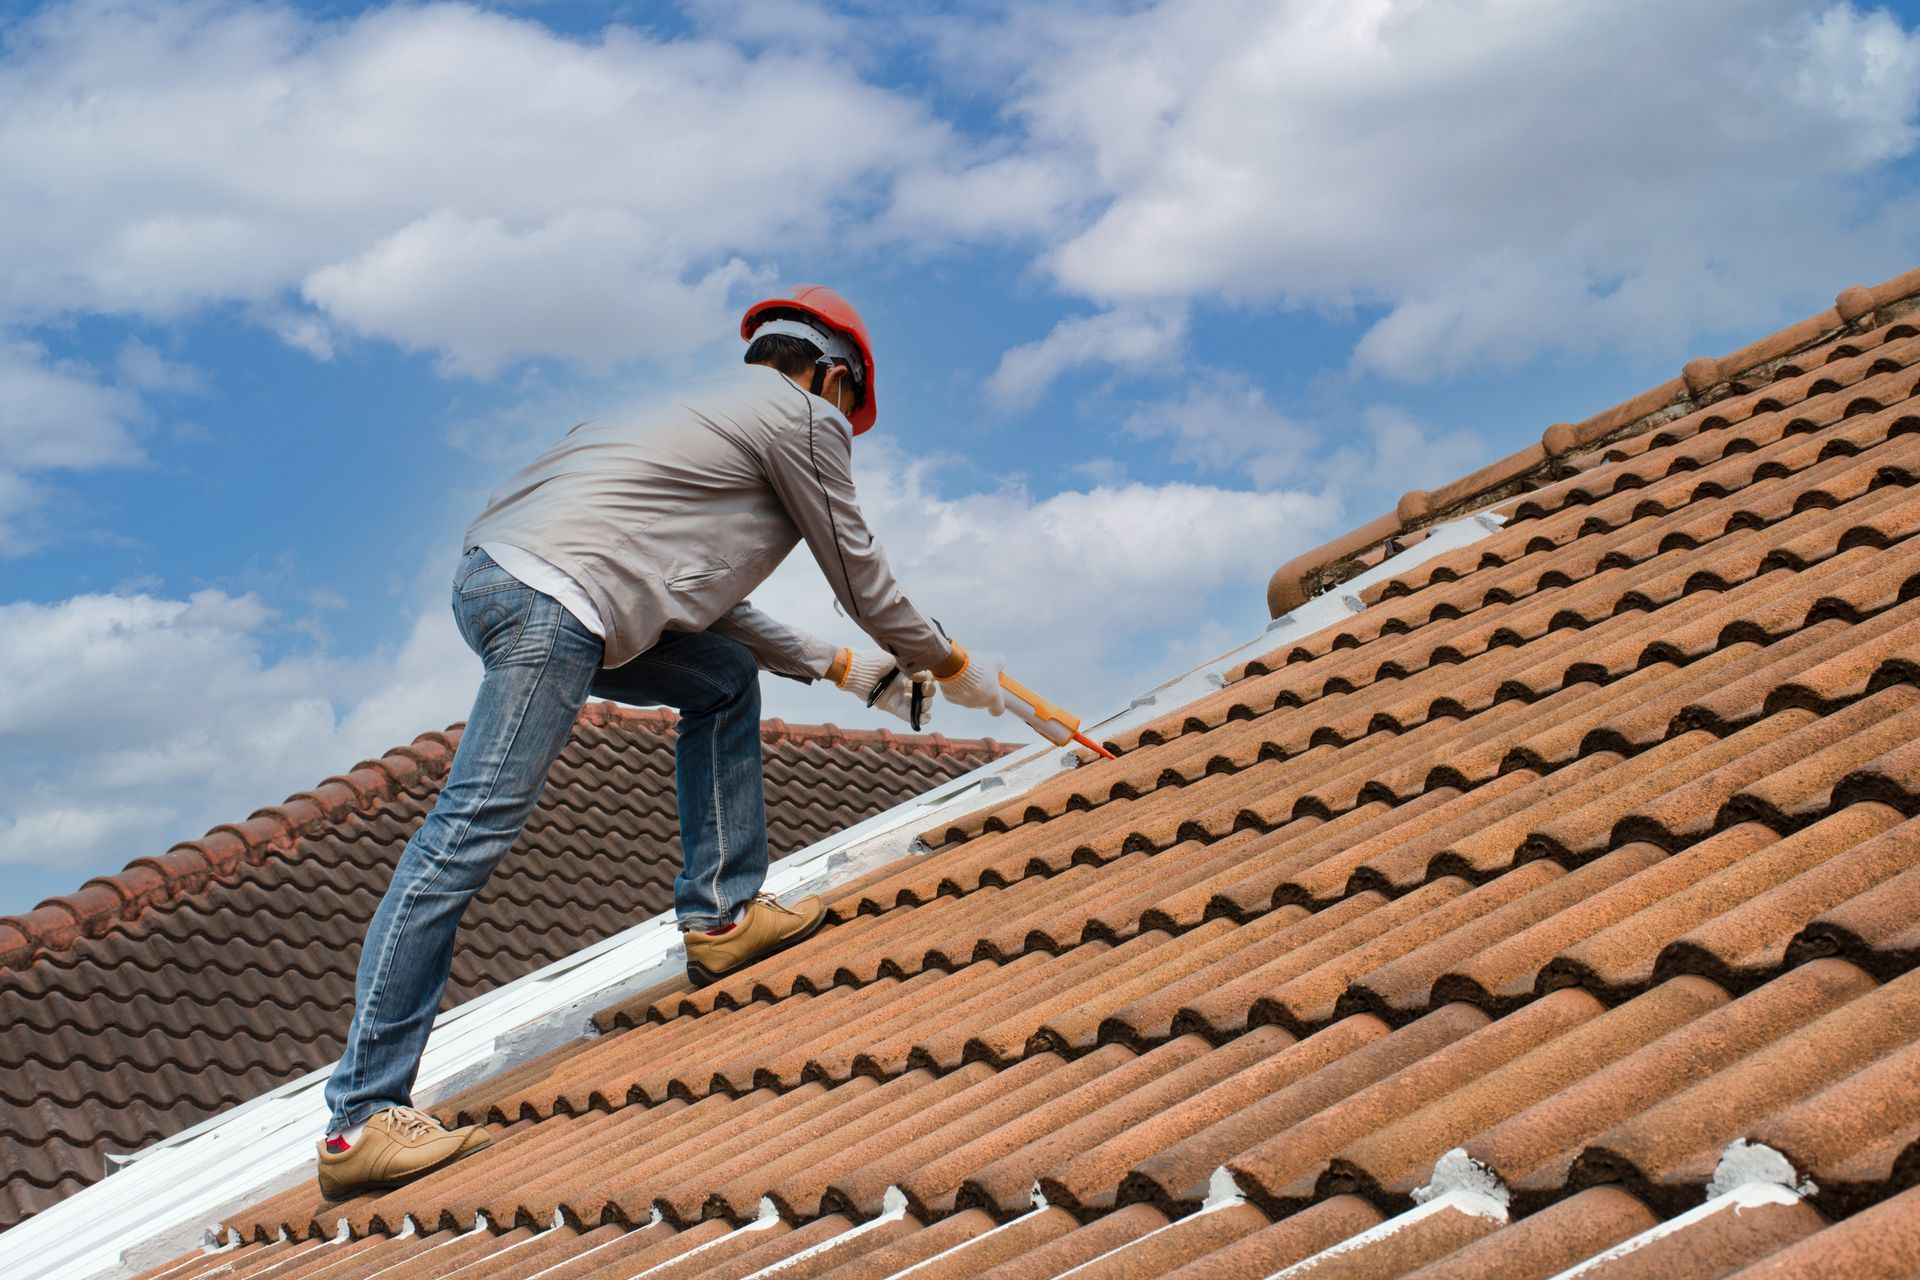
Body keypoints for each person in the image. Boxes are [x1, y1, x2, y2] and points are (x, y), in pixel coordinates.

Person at [313, 286, 1008, 1201]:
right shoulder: (804, 418)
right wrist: (947, 660)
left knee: (721, 678)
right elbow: (859, 573)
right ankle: (361, 1116)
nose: (844, 426)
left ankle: (722, 915)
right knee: (466, 831)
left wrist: (844, 669)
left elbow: (694, 600)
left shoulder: (687, 415)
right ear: (833, 376)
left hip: (502, 581)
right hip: (559, 600)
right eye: (848, 406)